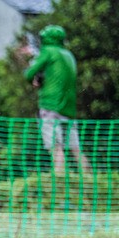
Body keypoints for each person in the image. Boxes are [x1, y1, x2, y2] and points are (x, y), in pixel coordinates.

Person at [23, 25, 91, 177]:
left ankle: (58, 183)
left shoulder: (48, 51)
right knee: (75, 148)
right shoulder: (68, 55)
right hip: (68, 107)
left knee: (55, 146)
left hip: (50, 105)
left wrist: (34, 77)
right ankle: (89, 180)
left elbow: (29, 74)